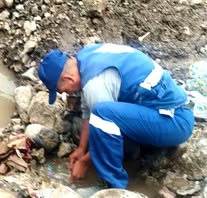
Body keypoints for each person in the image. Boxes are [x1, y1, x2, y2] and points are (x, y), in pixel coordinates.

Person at [38, 43, 194, 190]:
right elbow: (88, 112)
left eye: (64, 90)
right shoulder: (86, 58)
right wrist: (81, 149)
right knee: (98, 117)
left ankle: (113, 186)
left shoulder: (95, 84)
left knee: (103, 114)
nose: (68, 93)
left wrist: (85, 162)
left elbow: (101, 120)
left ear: (68, 78)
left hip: (176, 122)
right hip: (163, 112)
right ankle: (140, 156)